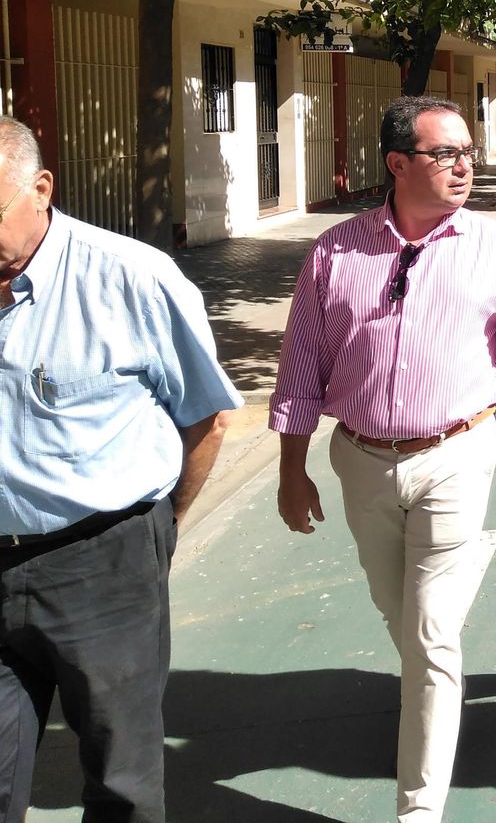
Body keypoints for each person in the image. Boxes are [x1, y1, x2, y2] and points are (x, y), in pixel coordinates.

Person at [271, 96, 496, 823]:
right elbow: (302, 363)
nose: (465, 165)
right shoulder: (334, 252)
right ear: (399, 164)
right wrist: (290, 467)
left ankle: (419, 807)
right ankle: (434, 701)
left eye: (468, 152)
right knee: (398, 612)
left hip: (457, 452)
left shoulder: (495, 246)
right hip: (360, 459)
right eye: (445, 154)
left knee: (429, 631)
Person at [0, 116, 240, 822]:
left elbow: (208, 415)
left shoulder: (132, 278)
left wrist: (161, 529)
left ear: (41, 189)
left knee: (121, 781)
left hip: (102, 564)